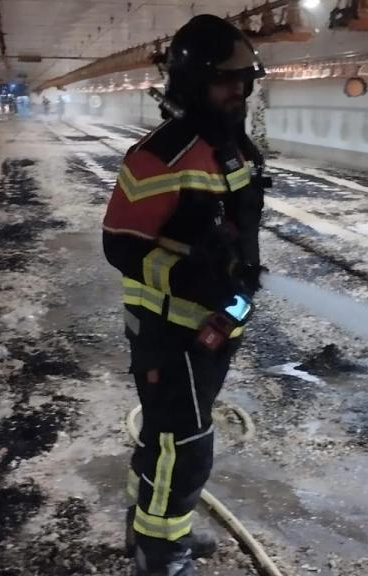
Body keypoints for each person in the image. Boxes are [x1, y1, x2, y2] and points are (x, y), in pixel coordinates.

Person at [101, 14, 268, 576]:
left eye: (244, 82)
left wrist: (234, 285)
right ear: (192, 83)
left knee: (166, 431)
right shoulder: (158, 157)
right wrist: (190, 276)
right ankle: (160, 550)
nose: (237, 92)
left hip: (216, 324)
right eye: (226, 82)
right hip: (170, 331)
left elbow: (240, 225)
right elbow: (121, 247)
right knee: (185, 443)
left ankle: (146, 521)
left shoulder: (232, 149)